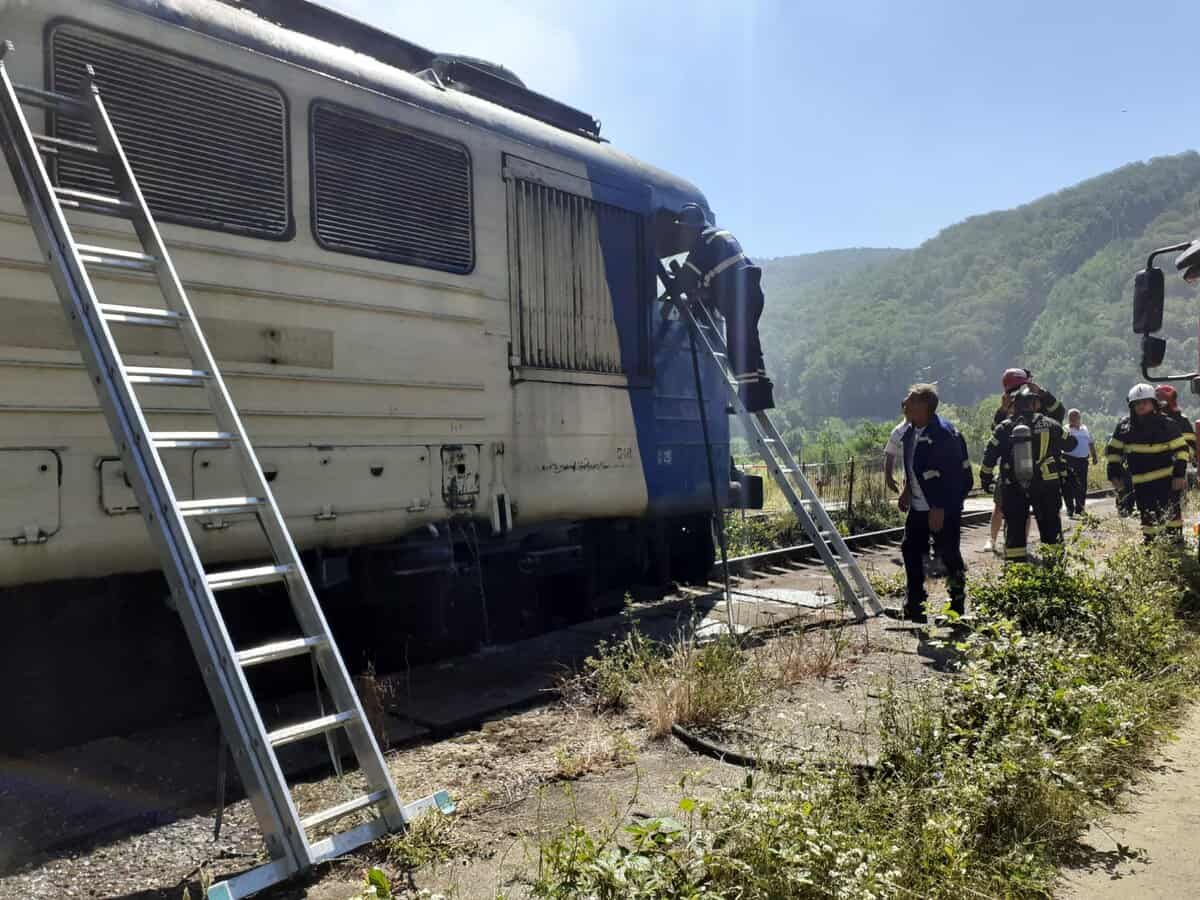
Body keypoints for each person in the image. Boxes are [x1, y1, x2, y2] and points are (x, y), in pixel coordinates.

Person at [672, 203, 775, 412]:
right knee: (751, 345)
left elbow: (686, 279)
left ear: (691, 228)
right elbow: (722, 274)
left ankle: (748, 399)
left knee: (739, 348)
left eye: (684, 229)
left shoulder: (703, 242)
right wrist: (704, 292)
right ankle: (761, 397)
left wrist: (673, 292)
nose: (684, 234)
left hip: (740, 298)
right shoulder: (721, 235)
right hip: (752, 292)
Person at [897, 383, 970, 622]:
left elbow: (954, 476)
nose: (904, 402)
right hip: (919, 506)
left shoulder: (944, 434)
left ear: (923, 405)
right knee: (911, 550)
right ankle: (916, 605)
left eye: (909, 399)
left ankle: (956, 607)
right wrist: (907, 489)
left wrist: (939, 507)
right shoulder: (910, 432)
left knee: (947, 554)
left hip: (942, 507)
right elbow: (913, 466)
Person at [979, 385, 1076, 563]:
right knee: (1050, 526)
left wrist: (986, 479)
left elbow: (989, 455)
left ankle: (1017, 571)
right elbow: (1072, 443)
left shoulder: (1004, 427)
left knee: (1015, 528)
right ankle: (1054, 569)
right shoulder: (1050, 424)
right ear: (1034, 404)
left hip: (1013, 485)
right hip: (1046, 485)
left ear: (1014, 406)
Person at [1106, 383, 1189, 543]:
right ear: (1132, 406)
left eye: (1145, 402)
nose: (1141, 406)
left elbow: (1182, 451)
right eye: (1137, 403)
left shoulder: (1167, 424)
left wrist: (1179, 475)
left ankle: (1176, 545)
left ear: (1153, 403)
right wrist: (1114, 473)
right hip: (1140, 483)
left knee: (1171, 515)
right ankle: (1152, 545)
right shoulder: (1124, 427)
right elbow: (1113, 453)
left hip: (1166, 481)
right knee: (1147, 515)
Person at [1062, 408, 1099, 517]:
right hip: (1069, 460)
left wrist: (1094, 456)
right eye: (1071, 417)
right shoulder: (1065, 429)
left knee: (1082, 485)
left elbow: (1090, 443)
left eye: (1075, 416)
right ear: (1068, 418)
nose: (1073, 419)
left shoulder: (1085, 429)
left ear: (1079, 418)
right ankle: (1070, 508)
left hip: (1083, 461)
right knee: (1068, 485)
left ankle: (1080, 509)